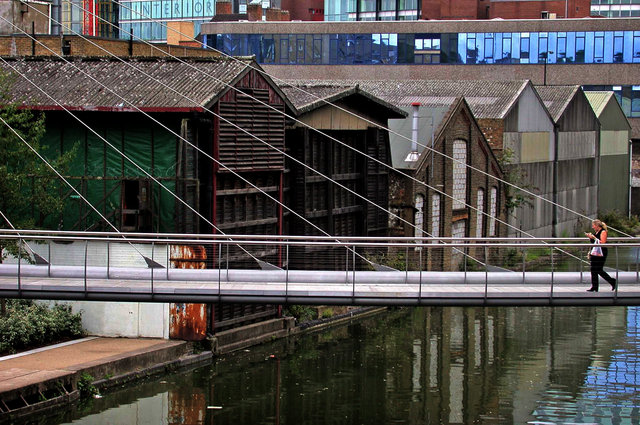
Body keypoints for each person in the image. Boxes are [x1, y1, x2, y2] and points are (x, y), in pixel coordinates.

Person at [585, 219, 616, 292]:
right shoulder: (596, 232)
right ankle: (594, 287)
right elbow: (594, 242)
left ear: (597, 226)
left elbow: (602, 242)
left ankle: (612, 281)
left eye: (593, 226)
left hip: (601, 252)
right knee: (593, 270)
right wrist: (590, 238)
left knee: (598, 269)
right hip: (595, 252)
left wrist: (594, 238)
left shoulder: (603, 232)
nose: (593, 227)